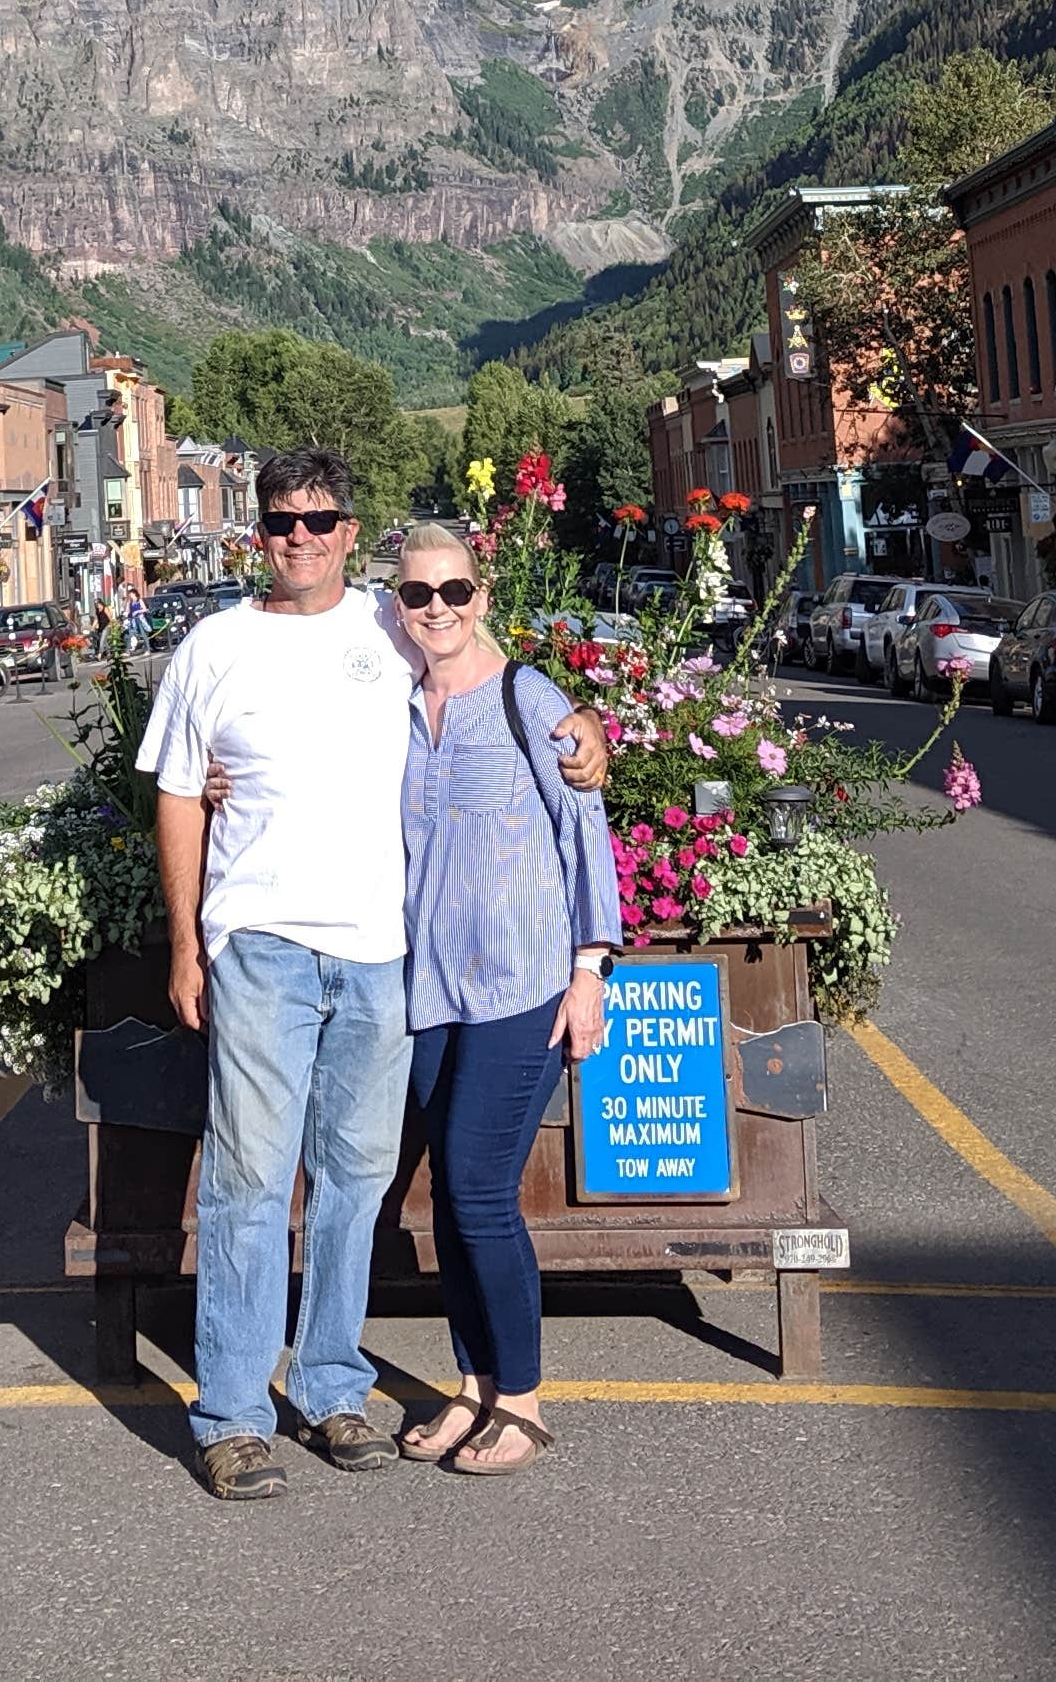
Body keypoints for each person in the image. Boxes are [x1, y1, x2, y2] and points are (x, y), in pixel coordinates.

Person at [145, 454, 610, 1504]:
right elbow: (178, 793)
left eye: (319, 519)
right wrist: (186, 945)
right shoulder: (212, 647)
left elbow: (491, 663)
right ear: (256, 531)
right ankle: (231, 1412)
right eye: (280, 520)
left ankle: (330, 1388)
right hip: (259, 941)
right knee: (250, 1181)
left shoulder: (390, 624)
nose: (298, 535)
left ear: (351, 531)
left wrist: (588, 733)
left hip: (383, 957)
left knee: (356, 1185)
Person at [384, 520, 618, 1476]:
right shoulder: (390, 701)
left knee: (480, 1191)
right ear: (395, 605)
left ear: (483, 595)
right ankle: (474, 1389)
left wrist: (590, 972)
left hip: (522, 983)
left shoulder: (531, 699)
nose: (436, 608)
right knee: (449, 1201)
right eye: (416, 594)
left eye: (455, 591)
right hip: (428, 987)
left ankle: (520, 1399)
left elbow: (585, 834)